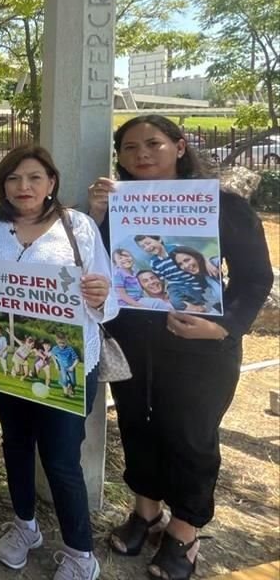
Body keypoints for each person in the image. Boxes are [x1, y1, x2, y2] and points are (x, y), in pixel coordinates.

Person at [88, 114, 272, 580]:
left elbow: (255, 279)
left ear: (180, 146)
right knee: (136, 423)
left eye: (153, 143)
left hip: (201, 345)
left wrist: (226, 327)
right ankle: (145, 512)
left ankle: (185, 532)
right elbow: (93, 267)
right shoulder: (115, 206)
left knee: (191, 436)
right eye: (130, 148)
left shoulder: (223, 204)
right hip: (132, 340)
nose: (141, 154)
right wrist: (96, 217)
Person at [0, 144, 116, 580]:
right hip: (8, 364)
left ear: (51, 183)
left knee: (61, 457)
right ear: (3, 185)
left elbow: (111, 298)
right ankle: (25, 526)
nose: (23, 186)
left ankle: (80, 553)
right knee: (14, 444)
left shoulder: (79, 227)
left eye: (34, 177)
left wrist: (101, 297)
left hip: (66, 367)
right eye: (13, 178)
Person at [169, 246, 222, 313]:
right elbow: (213, 304)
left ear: (196, 257)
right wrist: (201, 309)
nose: (185, 266)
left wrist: (207, 261)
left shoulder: (215, 263)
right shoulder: (199, 281)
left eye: (187, 260)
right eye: (180, 264)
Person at [50, 333, 80, 398]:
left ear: (66, 341)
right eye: (60, 343)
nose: (62, 345)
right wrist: (56, 364)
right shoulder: (55, 348)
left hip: (70, 367)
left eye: (63, 343)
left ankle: (71, 389)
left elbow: (77, 359)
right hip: (62, 367)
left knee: (73, 383)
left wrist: (72, 367)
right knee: (64, 380)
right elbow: (52, 355)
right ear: (56, 341)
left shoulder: (70, 349)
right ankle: (65, 393)